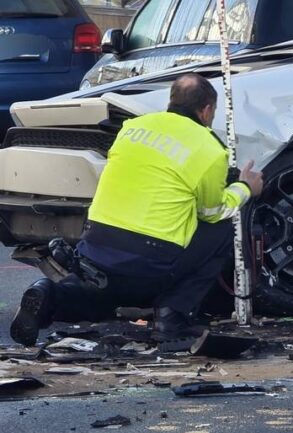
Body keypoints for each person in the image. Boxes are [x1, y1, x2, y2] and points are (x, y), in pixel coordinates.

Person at [9, 74, 263, 347]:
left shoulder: (132, 128)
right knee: (224, 226)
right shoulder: (210, 148)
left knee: (100, 297)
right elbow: (213, 211)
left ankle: (47, 295)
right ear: (207, 110)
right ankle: (172, 317)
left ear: (172, 101)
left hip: (95, 245)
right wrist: (245, 188)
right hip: (151, 260)